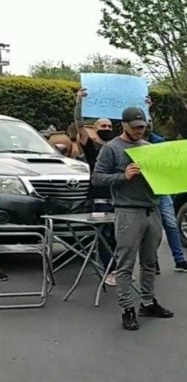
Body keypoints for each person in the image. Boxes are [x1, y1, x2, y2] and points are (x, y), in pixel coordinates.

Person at [92, 107, 174, 330]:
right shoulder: (112, 148)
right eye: (136, 127)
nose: (139, 131)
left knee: (150, 261)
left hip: (151, 209)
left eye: (143, 127)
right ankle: (127, 307)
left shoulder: (148, 148)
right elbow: (97, 178)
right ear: (124, 125)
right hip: (128, 211)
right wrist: (123, 176)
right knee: (125, 263)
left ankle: (147, 301)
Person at [74, 88, 119, 286]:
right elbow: (79, 125)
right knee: (103, 235)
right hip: (98, 199)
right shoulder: (91, 146)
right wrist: (78, 103)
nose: (107, 128)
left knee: (118, 235)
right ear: (96, 127)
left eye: (109, 125)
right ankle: (108, 269)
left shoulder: (117, 148)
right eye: (103, 125)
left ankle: (118, 269)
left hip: (117, 198)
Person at [142, 115, 187, 275]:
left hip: (161, 188)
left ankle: (179, 260)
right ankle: (154, 261)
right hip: (144, 191)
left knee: (171, 224)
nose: (147, 126)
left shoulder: (159, 142)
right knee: (152, 228)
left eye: (150, 122)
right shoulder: (130, 145)